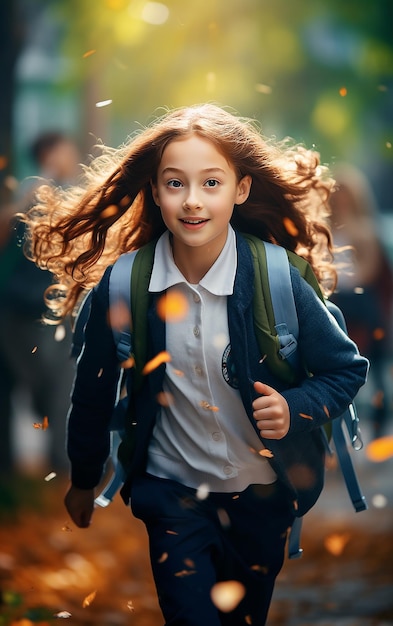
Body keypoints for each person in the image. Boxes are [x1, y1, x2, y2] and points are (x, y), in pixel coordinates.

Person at [22, 104, 368, 625]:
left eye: (211, 182)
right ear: (156, 193)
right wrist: (83, 476)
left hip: (263, 495)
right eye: (175, 183)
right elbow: (92, 389)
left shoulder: (278, 280)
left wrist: (294, 406)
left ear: (241, 189)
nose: (192, 201)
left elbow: (346, 369)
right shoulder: (122, 286)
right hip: (171, 494)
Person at [0, 131, 80, 474]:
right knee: (40, 379)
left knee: (60, 378)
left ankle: (61, 462)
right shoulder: (30, 194)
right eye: (56, 152)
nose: (64, 158)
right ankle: (57, 456)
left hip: (54, 307)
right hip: (20, 305)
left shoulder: (77, 193)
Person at [330, 163, 393, 438]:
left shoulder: (366, 229)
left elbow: (370, 270)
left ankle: (378, 424)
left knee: (375, 367)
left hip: (360, 301)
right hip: (337, 299)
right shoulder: (323, 229)